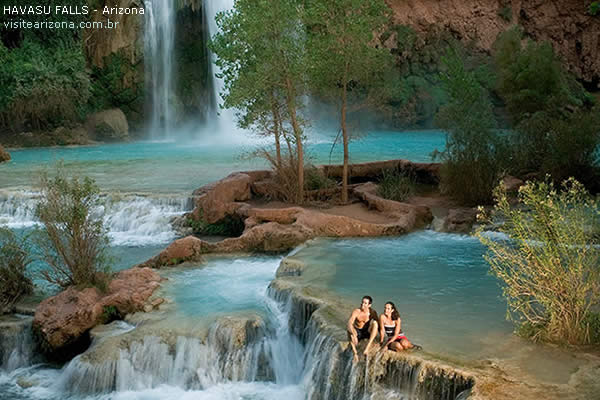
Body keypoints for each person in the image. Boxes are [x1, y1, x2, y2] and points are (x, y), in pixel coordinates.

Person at [347, 295, 379, 362]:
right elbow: (349, 323)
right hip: (358, 331)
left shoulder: (372, 313)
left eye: (365, 303)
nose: (363, 304)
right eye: (362, 302)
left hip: (366, 331)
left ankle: (367, 348)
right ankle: (355, 353)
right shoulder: (356, 311)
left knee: (375, 324)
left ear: (369, 305)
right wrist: (353, 334)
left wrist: (382, 340)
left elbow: (379, 325)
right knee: (350, 332)